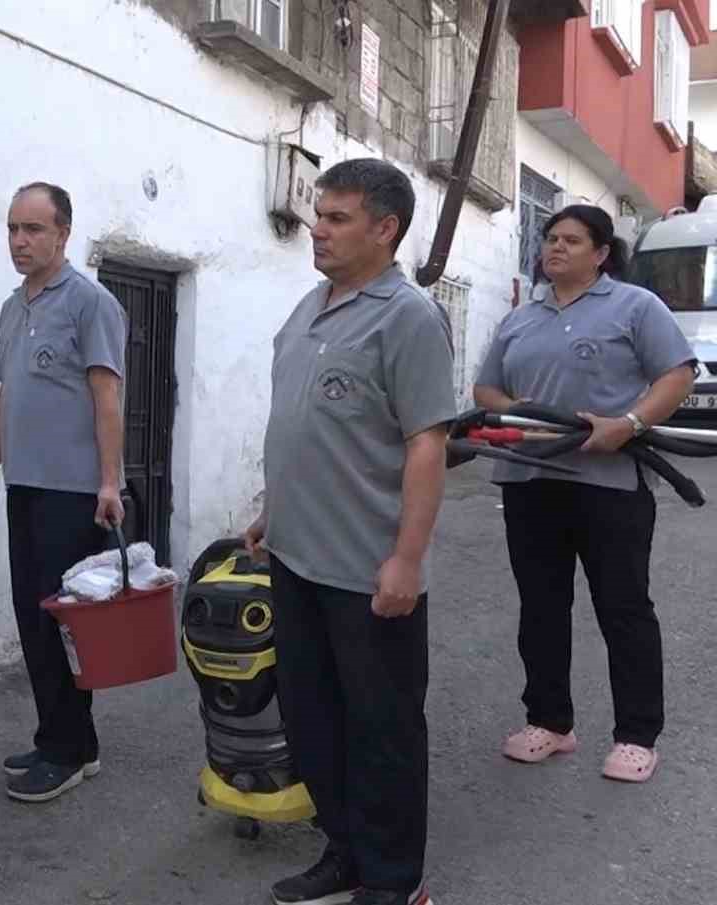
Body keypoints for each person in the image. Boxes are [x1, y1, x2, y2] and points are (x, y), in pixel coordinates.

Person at [244, 158, 454, 905]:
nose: (317, 229)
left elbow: (427, 443)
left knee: (385, 730)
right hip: (298, 559)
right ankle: (346, 850)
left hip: (370, 571)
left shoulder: (409, 317)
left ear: (385, 228)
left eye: (336, 217)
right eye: (318, 215)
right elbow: (305, 425)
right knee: (314, 721)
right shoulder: (308, 307)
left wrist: (406, 557)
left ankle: (395, 882)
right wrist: (275, 511)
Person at [473, 204, 696, 783]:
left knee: (623, 609)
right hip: (529, 480)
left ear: (601, 254)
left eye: (571, 239)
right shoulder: (522, 317)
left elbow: (677, 374)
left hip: (609, 484)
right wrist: (524, 416)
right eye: (550, 238)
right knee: (541, 607)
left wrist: (628, 424)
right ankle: (549, 722)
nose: (555, 247)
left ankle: (636, 735)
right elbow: (486, 388)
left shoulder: (634, 306)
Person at [0, 181, 129, 804]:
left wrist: (109, 482)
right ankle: (63, 739)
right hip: (25, 486)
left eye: (33, 229)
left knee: (66, 623)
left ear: (63, 234)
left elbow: (106, 394)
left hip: (74, 491)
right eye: (12, 228)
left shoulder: (91, 303)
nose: (19, 240)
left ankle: (68, 749)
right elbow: (8, 398)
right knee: (34, 619)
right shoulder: (14, 308)